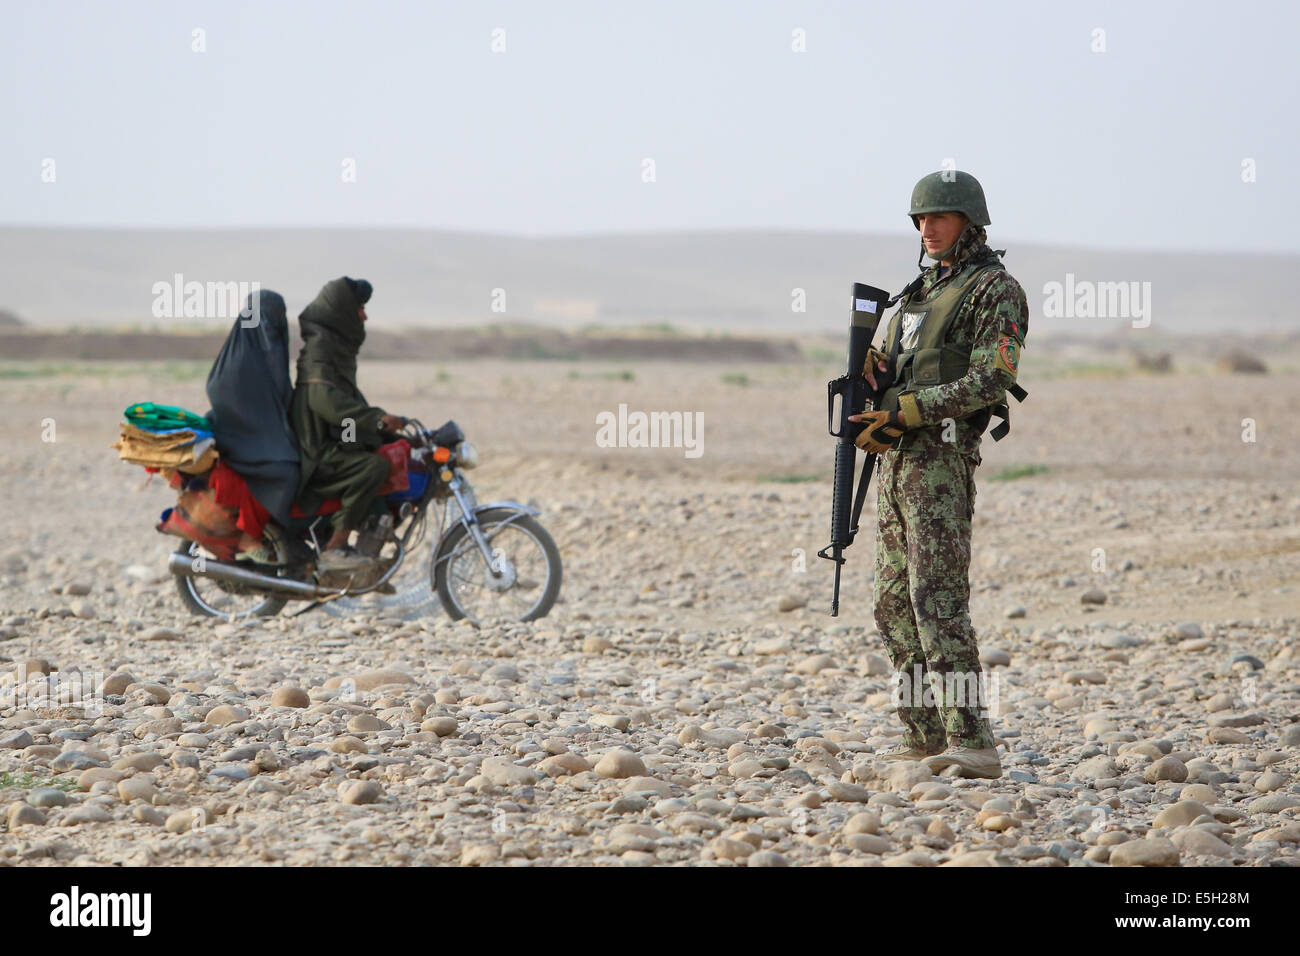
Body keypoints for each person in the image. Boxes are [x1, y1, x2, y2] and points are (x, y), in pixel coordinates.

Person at [848, 170, 1028, 779]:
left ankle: (973, 739)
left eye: (939, 218)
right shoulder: (912, 296)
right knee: (892, 606)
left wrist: (911, 408)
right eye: (920, 220)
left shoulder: (994, 291)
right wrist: (874, 378)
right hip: (897, 463)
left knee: (937, 601)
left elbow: (989, 380)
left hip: (942, 465)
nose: (927, 229)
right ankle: (925, 737)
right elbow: (903, 370)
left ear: (969, 223)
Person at [290, 277, 406, 571]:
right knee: (373, 467)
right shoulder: (320, 350)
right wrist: (377, 419)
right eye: (360, 308)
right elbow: (326, 402)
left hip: (337, 441)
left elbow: (349, 404)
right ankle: (335, 547)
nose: (364, 316)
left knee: (385, 457)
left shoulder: (336, 351)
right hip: (317, 451)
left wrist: (381, 430)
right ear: (342, 310)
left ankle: (368, 557)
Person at [204, 289, 301, 563]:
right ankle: (250, 537)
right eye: (268, 319)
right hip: (238, 441)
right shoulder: (237, 363)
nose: (273, 327)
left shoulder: (260, 353)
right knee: (287, 470)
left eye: (278, 319)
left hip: (259, 437)